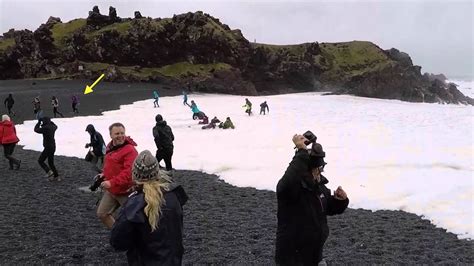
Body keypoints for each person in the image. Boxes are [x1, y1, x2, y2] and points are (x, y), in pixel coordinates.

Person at [275, 134, 349, 265]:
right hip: (293, 257)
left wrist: (340, 201)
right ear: (307, 171)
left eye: (320, 169)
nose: (319, 173)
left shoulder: (318, 187)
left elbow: (328, 207)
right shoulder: (292, 189)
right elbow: (285, 183)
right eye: (316, 169)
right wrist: (301, 152)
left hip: (315, 255)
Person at [110, 150, 188, 265]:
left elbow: (118, 242)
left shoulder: (134, 204)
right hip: (173, 260)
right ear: (157, 172)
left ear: (135, 174)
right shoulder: (173, 195)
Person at [96, 122, 138, 229]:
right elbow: (110, 165)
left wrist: (111, 182)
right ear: (111, 135)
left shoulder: (130, 150)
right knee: (102, 214)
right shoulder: (110, 146)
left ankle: (136, 242)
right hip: (112, 190)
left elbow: (128, 172)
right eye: (117, 134)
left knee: (134, 219)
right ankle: (118, 235)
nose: (120, 136)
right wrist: (104, 175)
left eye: (122, 133)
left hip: (126, 191)